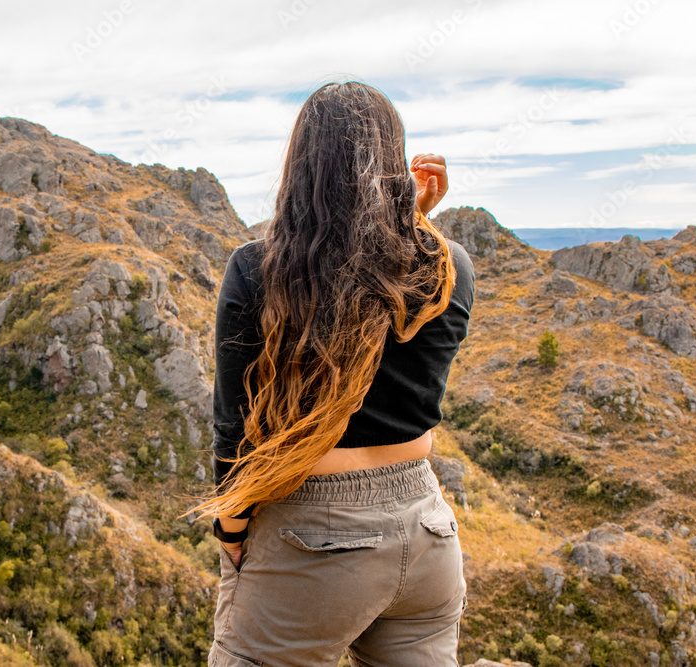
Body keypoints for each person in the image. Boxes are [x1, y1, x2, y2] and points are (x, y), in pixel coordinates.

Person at [191, 81, 476, 666]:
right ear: (395, 162)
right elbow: (380, 308)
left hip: (313, 529)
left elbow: (235, 428)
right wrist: (410, 221)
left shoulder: (255, 270)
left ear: (302, 165)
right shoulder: (452, 268)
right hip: (425, 532)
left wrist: (232, 527)